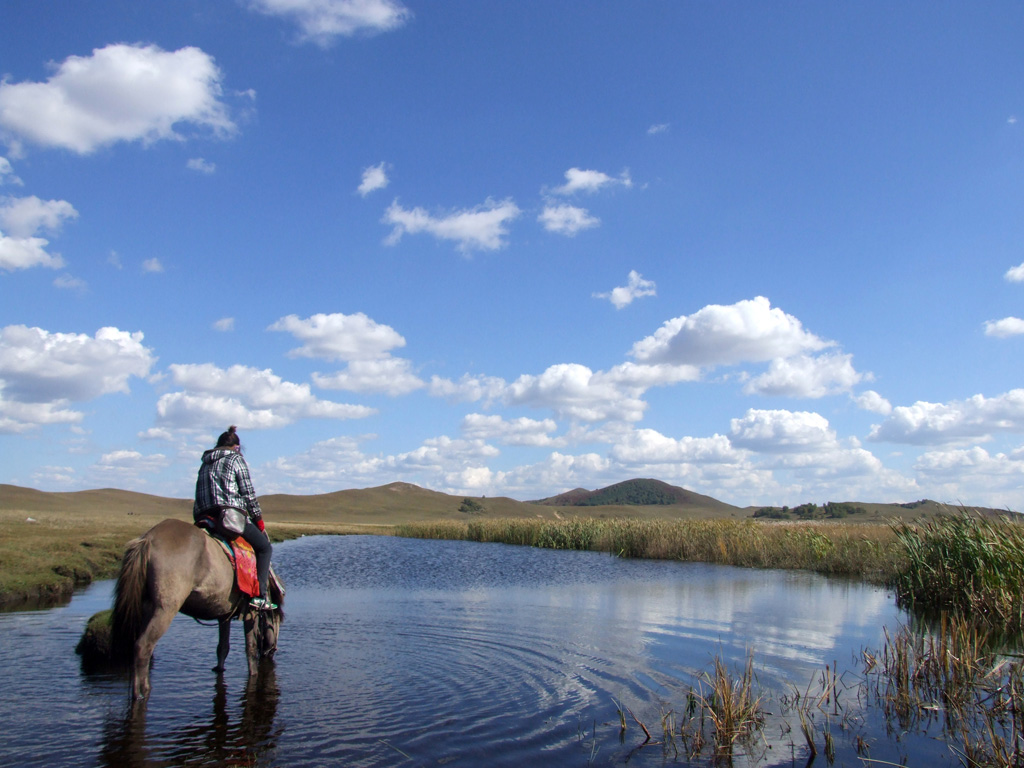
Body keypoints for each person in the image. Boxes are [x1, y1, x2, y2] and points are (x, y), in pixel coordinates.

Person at [193, 426, 275, 609]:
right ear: (236, 447)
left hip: (204, 516)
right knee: (264, 548)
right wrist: (258, 519)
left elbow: (198, 493)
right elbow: (248, 493)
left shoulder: (205, 462)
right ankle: (260, 597)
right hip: (229, 516)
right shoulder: (236, 459)